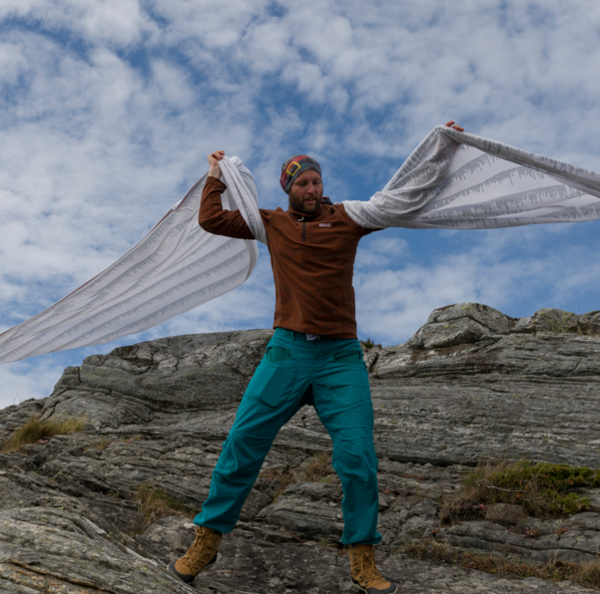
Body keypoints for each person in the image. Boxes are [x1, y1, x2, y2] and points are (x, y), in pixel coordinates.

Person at [169, 122, 464, 594]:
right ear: (289, 189)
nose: (312, 188)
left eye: (316, 181)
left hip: (340, 358)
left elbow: (406, 198)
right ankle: (206, 540)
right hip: (285, 353)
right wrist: (215, 176)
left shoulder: (350, 217)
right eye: (302, 182)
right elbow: (210, 219)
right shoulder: (272, 223)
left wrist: (441, 148)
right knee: (242, 445)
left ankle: (363, 557)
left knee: (357, 458)